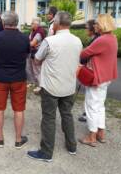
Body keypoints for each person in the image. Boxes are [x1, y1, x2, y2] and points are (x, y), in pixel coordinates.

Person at [27, 12, 82, 162]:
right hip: (69, 85)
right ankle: (72, 146)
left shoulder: (50, 41)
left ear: (56, 24)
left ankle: (46, 152)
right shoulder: (77, 41)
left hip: (51, 86)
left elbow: (37, 60)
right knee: (67, 115)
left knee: (49, 118)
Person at [78, 14, 118, 147]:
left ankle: (92, 136)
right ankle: (101, 133)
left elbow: (84, 54)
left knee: (91, 106)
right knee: (100, 105)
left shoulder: (102, 40)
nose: (95, 25)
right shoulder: (113, 38)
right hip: (106, 76)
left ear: (102, 25)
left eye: (96, 23)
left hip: (97, 77)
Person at [0, 11, 30, 149]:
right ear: (17, 23)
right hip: (19, 77)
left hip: (1, 77)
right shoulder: (25, 38)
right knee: (18, 110)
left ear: (3, 22)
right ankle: (18, 139)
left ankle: (0, 138)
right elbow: (26, 54)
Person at [78, 19, 100, 122]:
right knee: (91, 95)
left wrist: (81, 59)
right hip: (92, 69)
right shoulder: (95, 39)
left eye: (87, 28)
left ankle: (89, 116)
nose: (85, 30)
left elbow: (86, 54)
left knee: (92, 96)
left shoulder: (96, 40)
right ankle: (88, 114)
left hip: (92, 70)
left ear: (92, 29)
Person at [27, 17, 45, 93]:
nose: (31, 24)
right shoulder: (33, 31)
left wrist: (25, 43)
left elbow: (32, 43)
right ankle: (33, 82)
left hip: (37, 53)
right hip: (32, 52)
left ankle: (40, 86)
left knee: (37, 70)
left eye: (32, 23)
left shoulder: (39, 32)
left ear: (36, 24)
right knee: (30, 68)